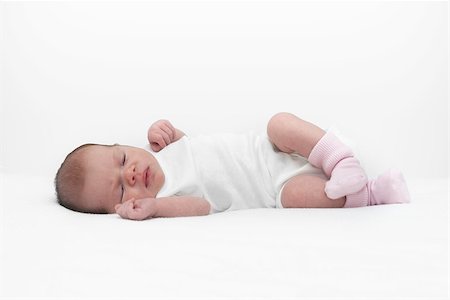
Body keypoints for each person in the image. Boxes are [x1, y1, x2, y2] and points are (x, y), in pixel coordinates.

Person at [54, 112, 410, 220]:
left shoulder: (164, 152)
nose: (130, 173)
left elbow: (198, 150)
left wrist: (173, 132)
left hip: (270, 150)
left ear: (125, 146)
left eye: (122, 160)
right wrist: (156, 208)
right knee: (297, 198)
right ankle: (373, 193)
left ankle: (339, 158)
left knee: (279, 122)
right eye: (121, 187)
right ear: (122, 207)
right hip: (274, 189)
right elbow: (202, 206)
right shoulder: (168, 197)